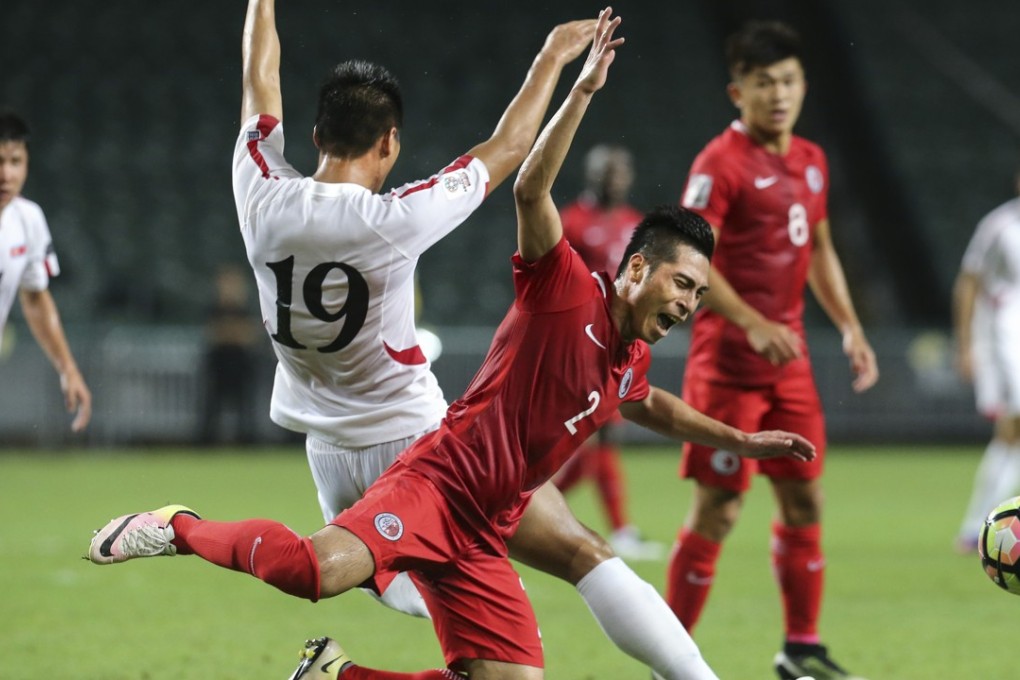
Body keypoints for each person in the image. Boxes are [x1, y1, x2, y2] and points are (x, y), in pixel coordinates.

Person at [89, 10, 817, 679]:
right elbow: (510, 155)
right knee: (358, 572)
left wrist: (261, 7)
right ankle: (177, 528)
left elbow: (259, 82)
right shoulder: (394, 219)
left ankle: (339, 674)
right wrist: (552, 60)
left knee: (515, 644)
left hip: (329, 451)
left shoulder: (258, 191)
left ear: (314, 137)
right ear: (390, 143)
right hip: (419, 449)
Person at [667, 20, 878, 680]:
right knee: (720, 508)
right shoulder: (718, 165)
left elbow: (819, 249)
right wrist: (752, 320)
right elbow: (689, 258)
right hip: (728, 366)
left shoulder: (811, 159)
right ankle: (667, 658)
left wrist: (849, 325)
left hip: (789, 368)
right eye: (764, 84)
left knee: (804, 500)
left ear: (804, 85)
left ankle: (801, 648)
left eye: (788, 81)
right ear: (738, 92)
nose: (778, 95)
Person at [555, 143, 663, 560]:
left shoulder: (636, 224)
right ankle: (621, 529)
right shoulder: (572, 221)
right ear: (591, 176)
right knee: (599, 433)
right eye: (605, 173)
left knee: (599, 435)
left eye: (618, 173)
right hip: (582, 340)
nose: (612, 180)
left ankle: (531, 507)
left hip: (622, 344)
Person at [0, 110, 91, 433]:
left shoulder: (28, 220)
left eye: (15, 161)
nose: (6, 174)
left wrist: (68, 368)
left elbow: (36, 298)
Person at [953, 170, 1020, 553]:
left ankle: (977, 527)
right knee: (1012, 430)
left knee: (1012, 436)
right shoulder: (999, 225)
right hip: (1007, 340)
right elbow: (969, 282)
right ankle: (978, 527)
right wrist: (965, 344)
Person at [198, 263, 261, 445]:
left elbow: (251, 336)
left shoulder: (246, 309)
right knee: (211, 408)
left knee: (245, 409)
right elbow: (212, 333)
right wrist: (234, 333)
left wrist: (230, 333)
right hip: (219, 363)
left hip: (241, 363)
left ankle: (247, 442)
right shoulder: (213, 307)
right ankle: (206, 444)